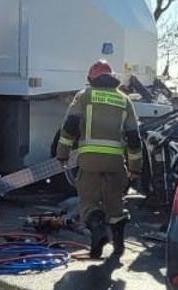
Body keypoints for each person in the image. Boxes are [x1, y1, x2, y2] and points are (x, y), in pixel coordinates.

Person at [55, 60, 143, 260]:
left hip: (90, 162)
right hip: (115, 163)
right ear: (112, 78)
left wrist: (63, 153)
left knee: (89, 202)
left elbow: (69, 127)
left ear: (91, 79)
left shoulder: (84, 96)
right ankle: (119, 246)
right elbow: (133, 137)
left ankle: (98, 235)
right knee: (115, 204)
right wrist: (135, 168)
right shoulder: (124, 100)